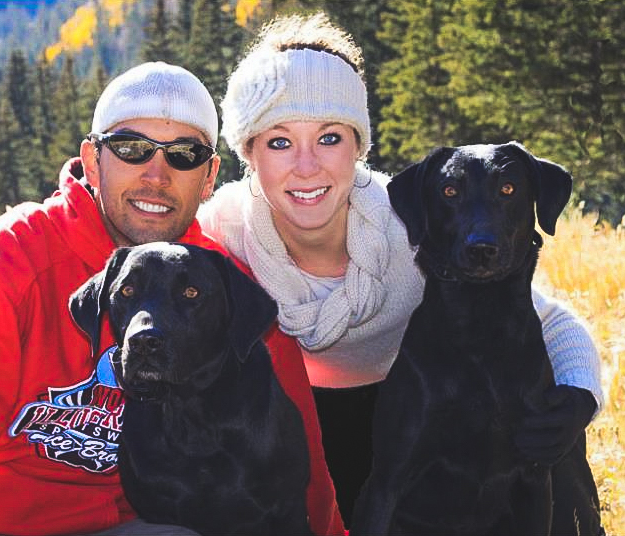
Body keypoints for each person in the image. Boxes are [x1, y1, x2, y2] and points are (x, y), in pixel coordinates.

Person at [0, 62, 344, 536]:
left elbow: (296, 463)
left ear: (209, 177)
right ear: (92, 162)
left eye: (183, 156)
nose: (156, 175)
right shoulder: (6, 265)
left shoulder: (219, 290)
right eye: (130, 148)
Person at [198, 13, 604, 529]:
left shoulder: (407, 227)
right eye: (279, 141)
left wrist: (577, 397)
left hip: (411, 411)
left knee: (547, 436)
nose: (306, 166)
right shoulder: (222, 233)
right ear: (249, 154)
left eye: (329, 138)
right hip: (304, 428)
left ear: (358, 147)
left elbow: (550, 323)